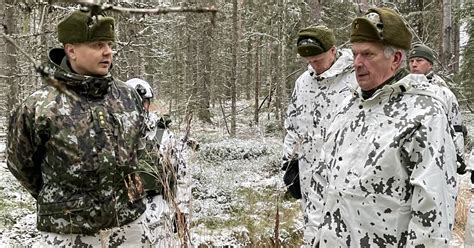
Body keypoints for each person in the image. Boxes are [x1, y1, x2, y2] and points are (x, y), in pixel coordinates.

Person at [7, 10, 157, 247]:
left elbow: (140, 150)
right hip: (68, 231)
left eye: (109, 44)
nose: (108, 51)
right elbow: (20, 164)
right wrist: (63, 200)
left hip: (130, 227)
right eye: (98, 45)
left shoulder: (127, 96)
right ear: (71, 50)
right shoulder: (39, 106)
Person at [310, 7, 458, 247]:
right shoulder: (348, 106)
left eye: (368, 55)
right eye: (355, 54)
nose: (357, 63)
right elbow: (325, 183)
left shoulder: (424, 113)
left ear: (396, 59)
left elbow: (434, 211)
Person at [281, 25, 355, 245]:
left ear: (333, 51)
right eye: (309, 61)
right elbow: (293, 127)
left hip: (345, 176)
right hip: (308, 174)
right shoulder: (303, 82)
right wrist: (289, 163)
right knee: (312, 231)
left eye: (318, 59)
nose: (313, 66)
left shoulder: (355, 80)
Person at [126, 78, 192, 246]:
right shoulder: (113, 135)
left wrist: (181, 210)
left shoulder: (163, 135)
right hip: (125, 215)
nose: (140, 106)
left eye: (144, 102)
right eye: (133, 102)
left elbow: (181, 175)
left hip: (158, 212)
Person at [408, 44, 467, 173]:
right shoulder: (403, 91)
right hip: (409, 157)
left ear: (430, 64)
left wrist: (459, 157)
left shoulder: (443, 93)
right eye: (411, 61)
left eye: (419, 60)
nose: (414, 64)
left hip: (437, 157)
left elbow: (456, 127)